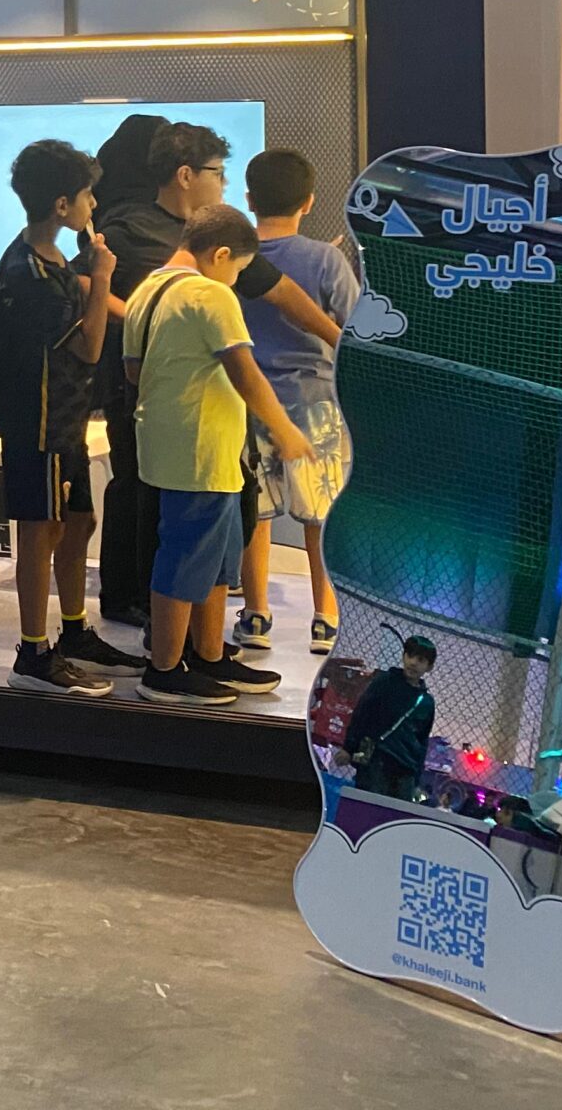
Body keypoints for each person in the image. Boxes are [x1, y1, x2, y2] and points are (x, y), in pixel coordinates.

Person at [92, 119, 342, 628]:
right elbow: (89, 287)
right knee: (149, 505)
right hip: (154, 402)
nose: (224, 184)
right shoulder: (132, 231)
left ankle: (199, 639)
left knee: (215, 523)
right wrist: (152, 317)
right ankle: (144, 617)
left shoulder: (215, 236)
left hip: (209, 418)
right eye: (217, 173)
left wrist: (339, 339)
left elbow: (280, 291)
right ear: (185, 175)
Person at [122, 206, 311, 707]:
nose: (237, 280)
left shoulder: (146, 291)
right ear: (221, 254)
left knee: (216, 558)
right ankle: (165, 669)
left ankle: (208, 655)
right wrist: (285, 429)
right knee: (186, 555)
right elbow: (244, 370)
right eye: (239, 269)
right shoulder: (211, 294)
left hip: (177, 445)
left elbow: (134, 370)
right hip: (201, 449)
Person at [0, 141, 146, 694]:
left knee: (79, 522)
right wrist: (103, 277)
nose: (93, 203)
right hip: (40, 422)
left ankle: (74, 632)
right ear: (61, 204)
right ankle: (32, 653)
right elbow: (91, 346)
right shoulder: (31, 273)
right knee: (40, 529)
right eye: (86, 195)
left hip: (66, 418)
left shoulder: (45, 258)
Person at [235, 150, 359, 657]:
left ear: (248, 200)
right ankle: (325, 619)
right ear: (308, 201)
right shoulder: (325, 260)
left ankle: (256, 614)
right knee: (321, 515)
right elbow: (355, 325)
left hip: (246, 401)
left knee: (255, 514)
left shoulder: (231, 258)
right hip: (315, 401)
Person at [341, 636, 436, 801]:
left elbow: (422, 741)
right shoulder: (385, 682)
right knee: (369, 804)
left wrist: (415, 778)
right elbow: (362, 714)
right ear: (403, 656)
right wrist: (349, 748)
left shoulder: (426, 702)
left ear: (429, 667)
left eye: (420, 660)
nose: (413, 662)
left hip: (406, 769)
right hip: (377, 760)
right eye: (410, 655)